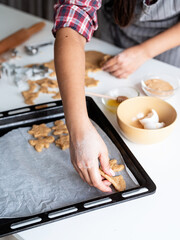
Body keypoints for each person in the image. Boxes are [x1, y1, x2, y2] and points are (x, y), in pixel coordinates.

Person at [53, 0, 180, 192]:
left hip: (168, 52)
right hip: (114, 39)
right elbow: (74, 12)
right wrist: (79, 130)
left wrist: (145, 52)